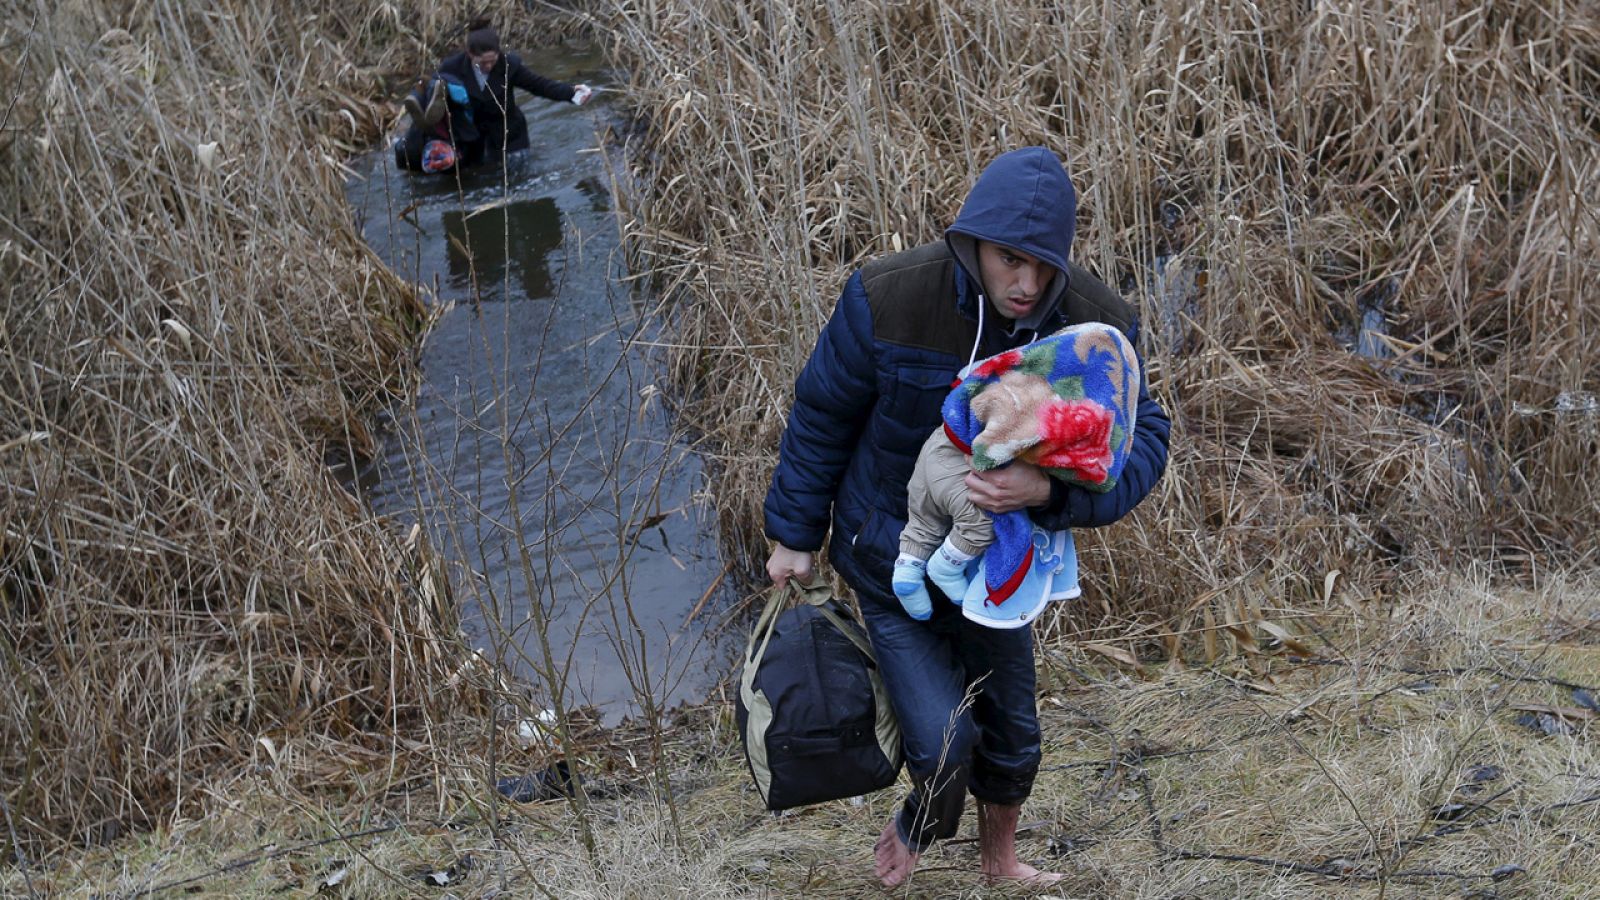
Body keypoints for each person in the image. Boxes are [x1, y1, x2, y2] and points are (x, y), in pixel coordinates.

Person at [763, 146, 1170, 887]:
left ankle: (999, 864)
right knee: (945, 746)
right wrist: (795, 534)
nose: (1026, 284)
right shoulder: (889, 297)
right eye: (1009, 260)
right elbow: (822, 413)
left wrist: (1050, 496)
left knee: (1014, 738)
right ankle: (922, 816)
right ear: (972, 242)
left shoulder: (1096, 328)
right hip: (890, 555)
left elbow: (1145, 441)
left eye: (1043, 266)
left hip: (1002, 570)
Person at [893, 321, 1142, 630]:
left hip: (932, 452)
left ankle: (906, 570)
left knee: (922, 522)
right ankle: (945, 567)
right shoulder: (1036, 399)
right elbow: (997, 450)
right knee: (981, 523)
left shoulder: (1013, 370)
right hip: (957, 467)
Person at [395, 19, 594, 172]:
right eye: (483, 63)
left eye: (493, 60)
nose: (489, 66)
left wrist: (570, 93)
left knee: (516, 176)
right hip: (471, 135)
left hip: (508, 133)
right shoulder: (452, 67)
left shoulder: (509, 65)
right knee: (475, 176)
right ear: (470, 54)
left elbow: (539, 85)